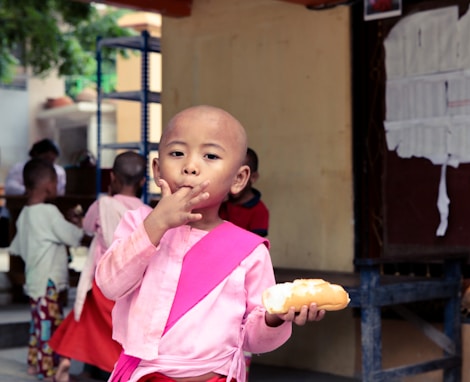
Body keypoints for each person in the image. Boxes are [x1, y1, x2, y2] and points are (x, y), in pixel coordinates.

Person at [95, 105, 325, 382]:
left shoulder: (248, 251)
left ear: (239, 179)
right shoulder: (138, 225)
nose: (190, 166)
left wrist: (275, 317)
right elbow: (109, 284)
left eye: (210, 156)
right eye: (177, 153)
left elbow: (251, 338)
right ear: (157, 169)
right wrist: (157, 224)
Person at [50, 151, 147, 382]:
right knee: (116, 333)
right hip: (129, 287)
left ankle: (68, 362)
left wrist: (77, 220)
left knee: (85, 323)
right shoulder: (147, 213)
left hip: (102, 282)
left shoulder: (103, 204)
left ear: (112, 177)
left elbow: (85, 227)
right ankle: (111, 371)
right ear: (143, 181)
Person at [8, 158, 83, 381]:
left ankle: (34, 363)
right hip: (49, 283)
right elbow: (73, 236)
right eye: (55, 181)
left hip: (33, 281)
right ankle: (48, 370)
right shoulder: (49, 212)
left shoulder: (24, 214)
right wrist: (77, 224)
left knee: (38, 325)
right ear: (48, 184)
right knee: (50, 327)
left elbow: (18, 248)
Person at [218, 147, 269, 381]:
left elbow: (251, 247)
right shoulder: (221, 204)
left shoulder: (259, 211)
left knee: (243, 338)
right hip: (218, 280)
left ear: (251, 177)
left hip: (242, 281)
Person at [219, 148, 269, 238]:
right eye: (229, 175)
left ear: (253, 177)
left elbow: (255, 243)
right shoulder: (221, 202)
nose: (233, 181)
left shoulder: (259, 210)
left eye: (239, 176)